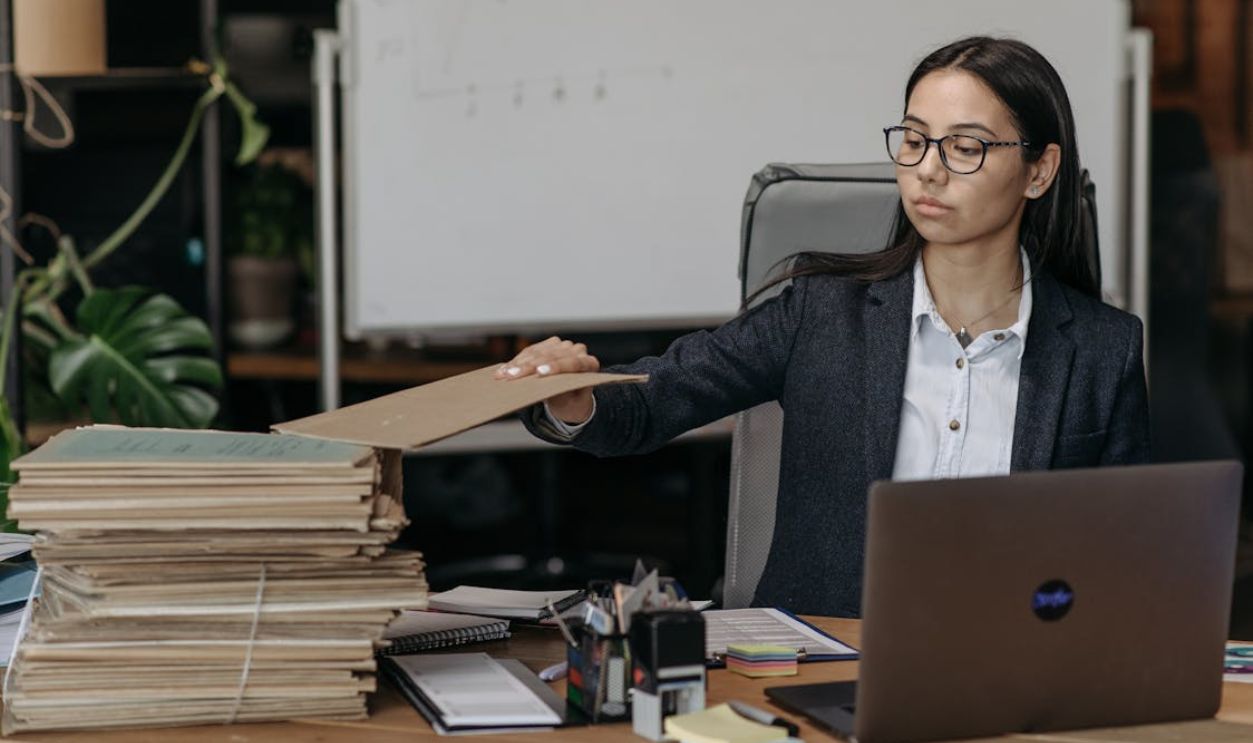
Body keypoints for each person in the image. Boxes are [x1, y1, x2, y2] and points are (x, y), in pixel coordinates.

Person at [495, 36, 1149, 617]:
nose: (927, 169)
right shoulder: (821, 313)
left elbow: (1123, 555)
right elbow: (650, 401)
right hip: (822, 667)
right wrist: (572, 400)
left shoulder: (1102, 348)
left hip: (1008, 668)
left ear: (1039, 170)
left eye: (965, 147)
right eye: (915, 140)